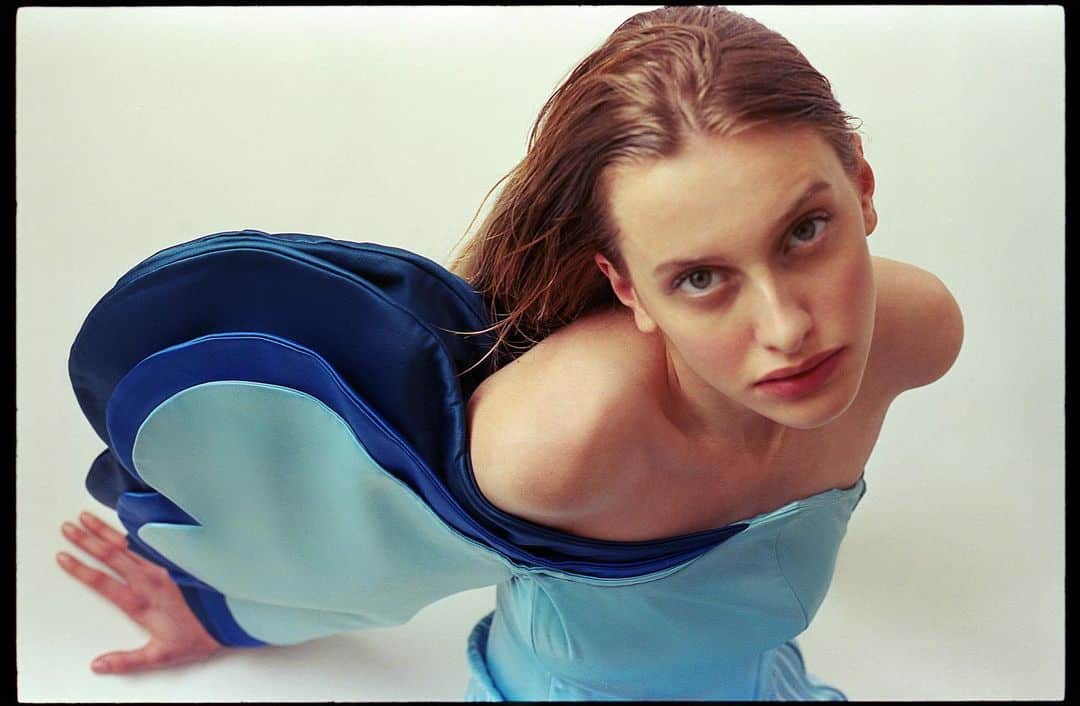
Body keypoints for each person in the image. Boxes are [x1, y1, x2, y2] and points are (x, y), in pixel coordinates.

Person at [57, 5, 963, 700]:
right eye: (699, 277)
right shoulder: (563, 439)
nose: (788, 327)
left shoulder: (914, 334)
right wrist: (223, 611)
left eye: (805, 231)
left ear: (862, 186)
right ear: (626, 289)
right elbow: (374, 552)